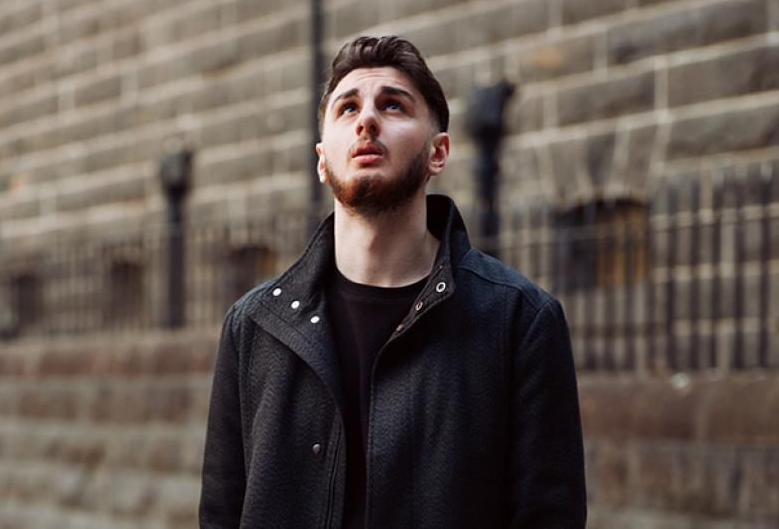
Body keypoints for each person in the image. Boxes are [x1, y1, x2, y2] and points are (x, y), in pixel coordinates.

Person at [199, 35, 586, 528]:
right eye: (347, 108)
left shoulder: (519, 321)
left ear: (437, 152)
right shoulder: (254, 327)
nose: (366, 120)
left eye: (393, 105)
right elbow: (220, 515)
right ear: (322, 159)